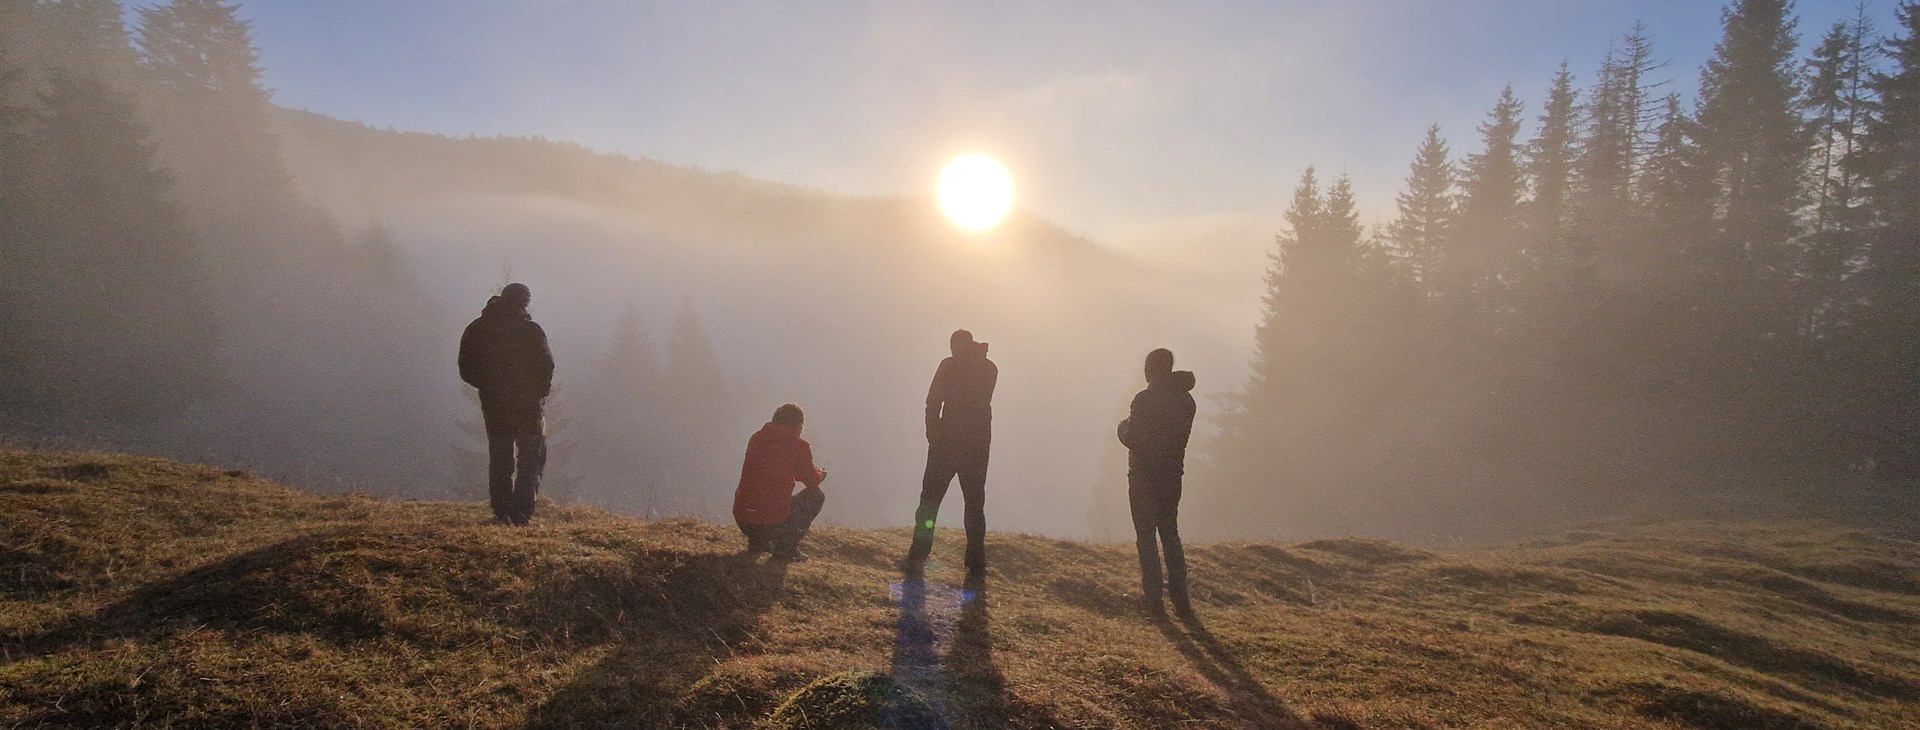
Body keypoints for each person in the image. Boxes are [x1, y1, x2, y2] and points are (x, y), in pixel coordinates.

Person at [457, 283, 554, 526]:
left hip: (494, 405)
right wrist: (537, 392)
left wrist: (488, 387)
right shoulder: (531, 331)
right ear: (523, 301)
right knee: (530, 460)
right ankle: (521, 516)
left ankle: (501, 513)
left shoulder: (477, 329)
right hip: (528, 406)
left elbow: (466, 367)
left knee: (500, 458)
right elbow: (546, 365)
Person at [904, 329, 998, 577]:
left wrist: (933, 434)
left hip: (946, 444)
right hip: (977, 446)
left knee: (930, 502)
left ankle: (918, 554)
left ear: (958, 345)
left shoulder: (949, 366)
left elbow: (933, 401)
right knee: (975, 504)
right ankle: (976, 561)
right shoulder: (989, 369)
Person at [1117, 348, 1196, 613]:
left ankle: (1153, 598)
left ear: (1152, 368)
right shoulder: (1187, 401)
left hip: (1143, 477)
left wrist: (1122, 427)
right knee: (1170, 533)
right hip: (1173, 476)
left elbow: (1134, 438)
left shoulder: (1145, 399)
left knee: (1146, 536)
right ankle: (1181, 599)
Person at [733, 403, 828, 561]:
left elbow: (770, 469)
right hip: (769, 521)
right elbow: (811, 482)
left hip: (743, 518)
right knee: (815, 496)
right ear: (799, 425)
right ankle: (786, 549)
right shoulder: (799, 446)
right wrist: (821, 474)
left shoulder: (757, 438)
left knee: (764, 500)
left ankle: (758, 543)